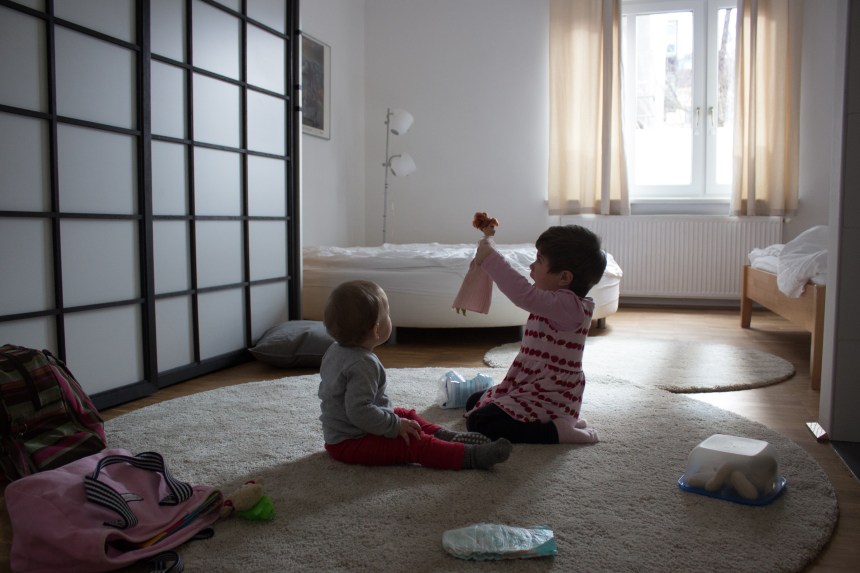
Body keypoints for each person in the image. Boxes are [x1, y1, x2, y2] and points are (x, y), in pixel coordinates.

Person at [318, 280, 513, 470]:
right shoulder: (362, 364)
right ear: (376, 330)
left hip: (346, 431)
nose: (390, 317)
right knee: (412, 443)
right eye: (388, 314)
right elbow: (359, 412)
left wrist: (396, 422)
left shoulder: (334, 349)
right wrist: (395, 426)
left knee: (403, 415)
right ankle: (471, 456)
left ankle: (445, 436)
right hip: (351, 441)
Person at [464, 225, 607, 444]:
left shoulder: (570, 307)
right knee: (474, 401)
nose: (531, 266)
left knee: (480, 422)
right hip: (532, 384)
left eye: (539, 261)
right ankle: (559, 420)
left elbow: (522, 293)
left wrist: (491, 259)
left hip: (552, 394)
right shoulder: (554, 300)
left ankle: (556, 431)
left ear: (564, 277)